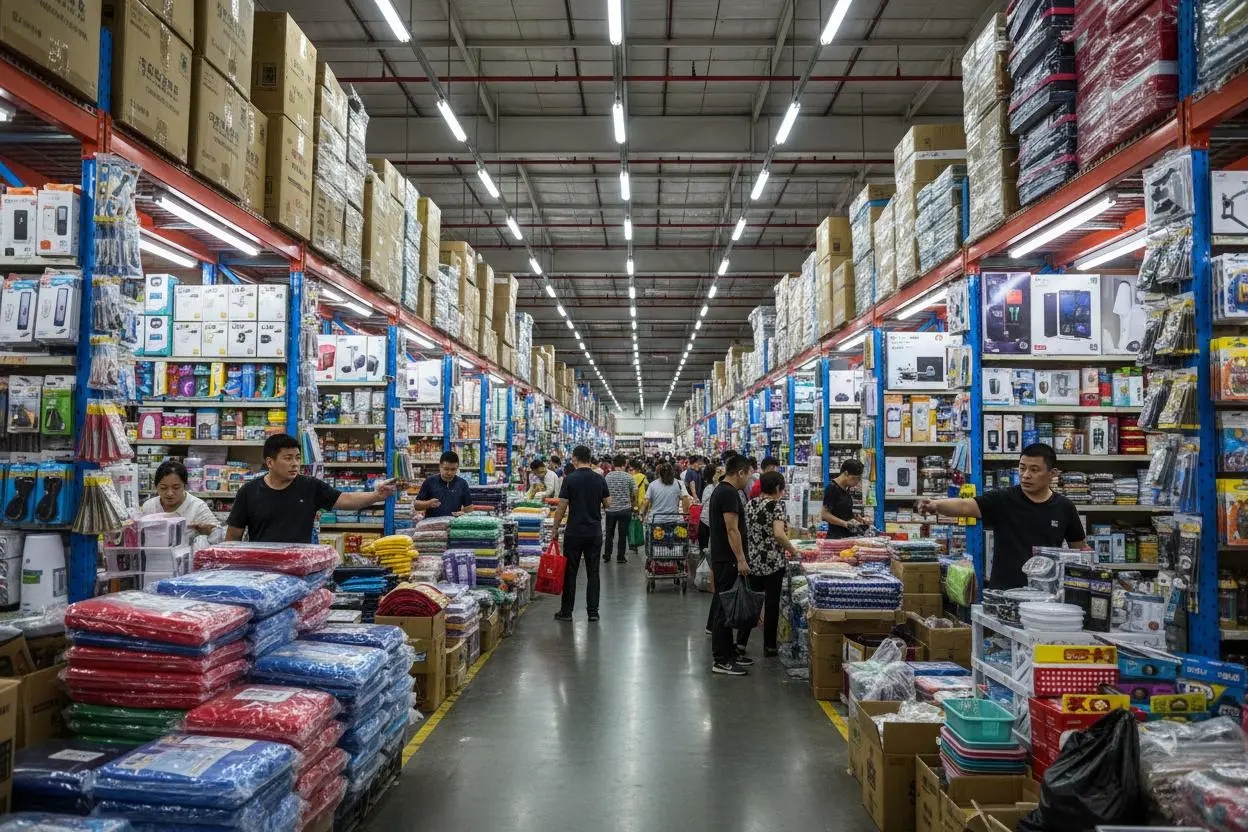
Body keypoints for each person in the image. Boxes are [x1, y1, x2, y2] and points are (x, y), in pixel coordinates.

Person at [917, 443, 1087, 589]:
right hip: (1004, 592)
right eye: (1022, 468)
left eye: (1034, 470)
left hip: (1047, 596)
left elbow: (1079, 552)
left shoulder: (1064, 507)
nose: (1026, 474)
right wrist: (936, 505)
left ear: (1053, 473)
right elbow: (965, 505)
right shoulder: (1003, 499)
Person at [227, 434, 396, 543]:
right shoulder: (249, 491)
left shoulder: (310, 486)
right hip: (262, 566)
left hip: (299, 565)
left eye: (297, 458)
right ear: (270, 462)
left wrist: (376, 495)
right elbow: (234, 535)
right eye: (288, 458)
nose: (294, 463)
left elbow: (346, 499)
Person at [739, 471, 799, 657]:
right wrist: (794, 551)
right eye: (782, 489)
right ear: (776, 488)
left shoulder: (750, 504)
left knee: (752, 603)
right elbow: (779, 534)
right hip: (772, 562)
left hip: (753, 561)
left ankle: (741, 642)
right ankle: (770, 646)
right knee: (771, 604)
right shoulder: (776, 506)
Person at [551, 446, 611, 622]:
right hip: (594, 533)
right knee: (594, 573)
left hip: (574, 532)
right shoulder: (599, 479)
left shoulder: (570, 479)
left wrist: (555, 528)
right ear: (590, 459)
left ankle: (567, 611)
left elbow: (562, 506)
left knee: (570, 572)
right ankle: (593, 612)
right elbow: (608, 504)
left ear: (575, 459)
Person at [708, 454, 753, 676]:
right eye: (749, 475)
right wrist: (741, 559)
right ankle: (721, 659)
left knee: (724, 606)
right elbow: (732, 529)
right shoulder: (728, 493)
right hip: (727, 559)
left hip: (724, 558)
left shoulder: (722, 490)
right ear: (740, 472)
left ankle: (729, 654)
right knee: (724, 610)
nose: (750, 481)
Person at [141, 460, 220, 537]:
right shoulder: (149, 506)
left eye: (176, 487)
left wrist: (208, 530)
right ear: (156, 487)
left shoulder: (197, 507)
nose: (169, 493)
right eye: (163, 488)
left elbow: (219, 534)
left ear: (185, 486)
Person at [822, 459, 870, 538]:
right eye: (856, 478)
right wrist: (846, 524)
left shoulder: (845, 488)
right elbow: (824, 515)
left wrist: (858, 519)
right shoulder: (832, 488)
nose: (857, 481)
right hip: (836, 538)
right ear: (846, 473)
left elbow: (841, 512)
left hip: (847, 536)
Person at [603, 455, 637, 564]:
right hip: (625, 509)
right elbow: (634, 492)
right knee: (622, 534)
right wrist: (633, 503)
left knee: (609, 533)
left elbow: (604, 492)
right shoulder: (628, 477)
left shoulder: (608, 477)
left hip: (610, 509)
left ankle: (607, 555)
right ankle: (620, 557)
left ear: (614, 464)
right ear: (624, 465)